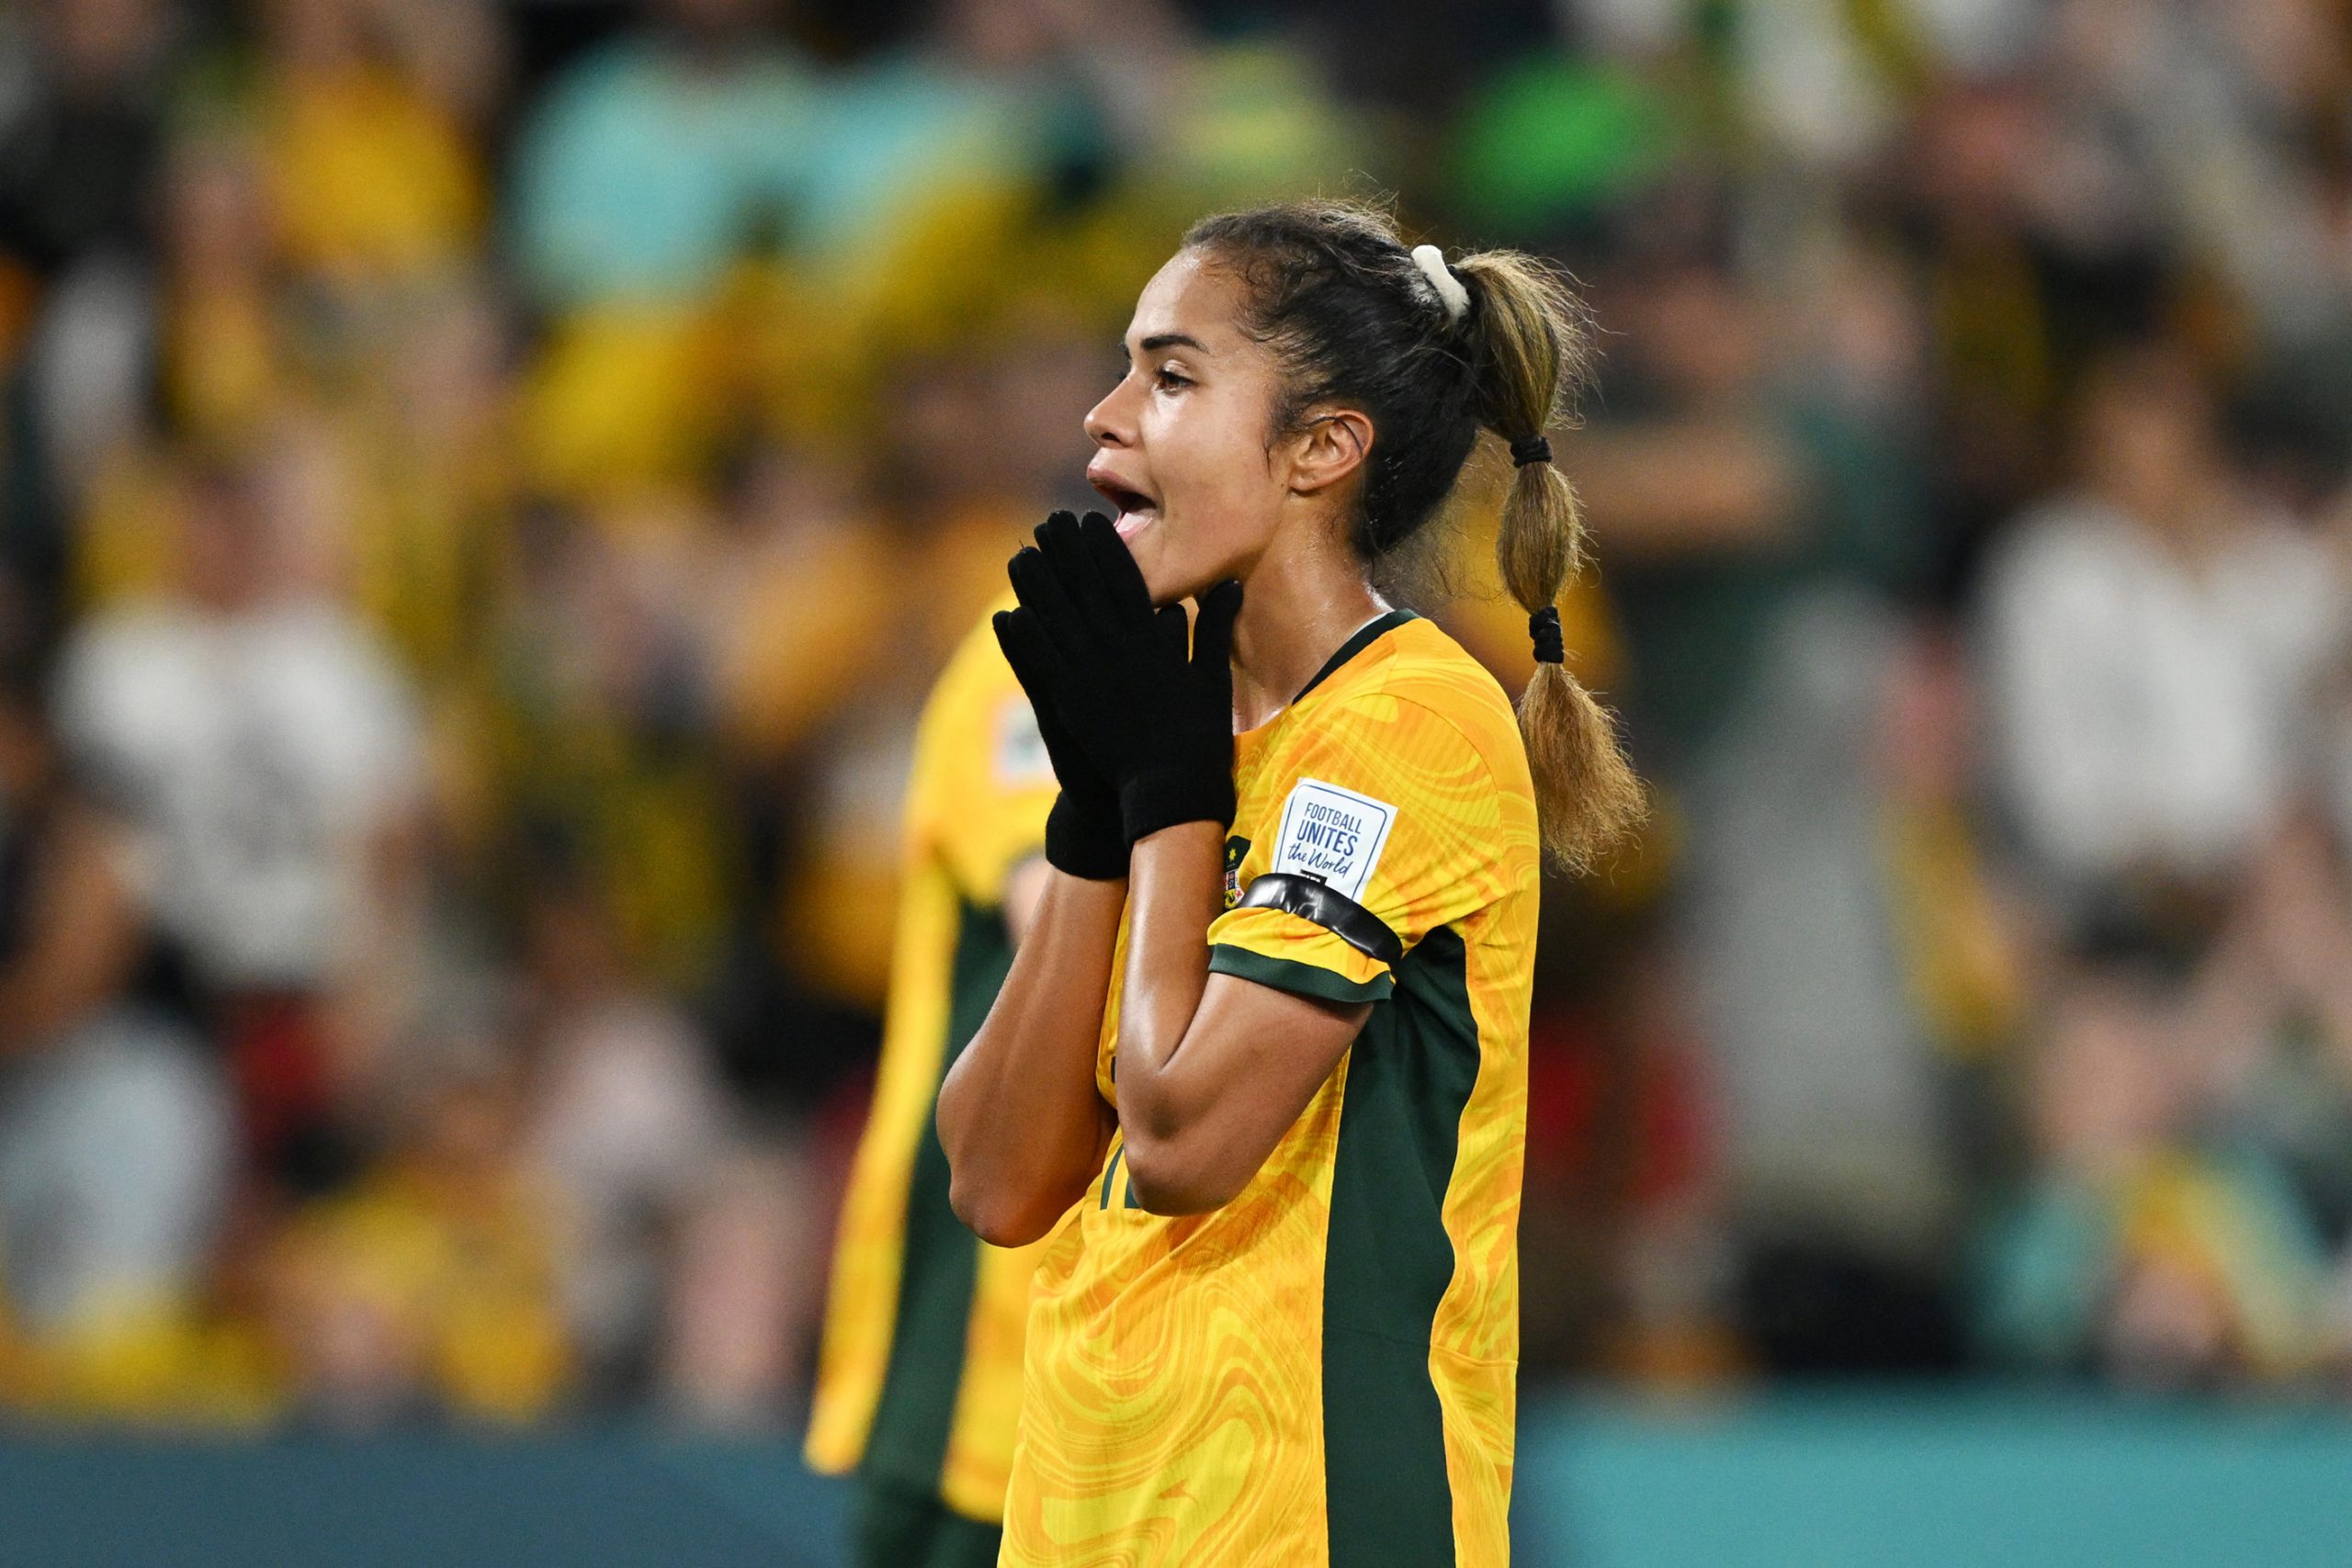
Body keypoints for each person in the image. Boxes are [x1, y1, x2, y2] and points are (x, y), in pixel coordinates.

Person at [936, 199, 1642, 1565]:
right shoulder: (1182, 732)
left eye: (1172, 374)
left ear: (1322, 448)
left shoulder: (1409, 727)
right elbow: (1000, 1179)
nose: (1104, 412)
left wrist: (1169, 802)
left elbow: (1186, 1135)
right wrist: (1100, 814)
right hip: (1090, 1519)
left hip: (1310, 1518)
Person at [805, 599, 1061, 1565]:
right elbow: (1068, 911)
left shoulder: (1324, 678)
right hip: (988, 1365)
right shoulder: (1041, 651)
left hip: (1195, 1372)